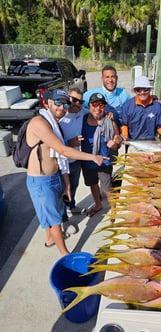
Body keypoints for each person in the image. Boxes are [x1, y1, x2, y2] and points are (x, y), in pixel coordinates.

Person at [26, 89, 107, 256]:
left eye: (65, 104)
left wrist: (67, 184)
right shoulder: (39, 123)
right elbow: (63, 150)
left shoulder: (55, 123)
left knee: (50, 214)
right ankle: (65, 254)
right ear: (48, 102)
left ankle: (50, 239)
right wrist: (93, 157)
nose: (62, 107)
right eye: (58, 103)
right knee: (54, 219)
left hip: (55, 175)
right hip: (41, 181)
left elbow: (58, 157)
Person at [81, 92, 121, 217]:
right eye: (94, 104)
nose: (98, 108)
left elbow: (117, 141)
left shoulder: (110, 121)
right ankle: (98, 205)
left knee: (107, 187)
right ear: (89, 106)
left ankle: (113, 209)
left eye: (101, 105)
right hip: (88, 161)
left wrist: (114, 144)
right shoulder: (82, 120)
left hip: (104, 162)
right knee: (93, 184)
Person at [119, 75, 161, 145]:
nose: (142, 92)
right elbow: (123, 124)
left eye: (145, 89)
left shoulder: (157, 107)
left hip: (151, 143)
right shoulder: (127, 106)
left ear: (150, 90)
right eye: (139, 90)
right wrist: (125, 136)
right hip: (133, 142)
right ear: (135, 91)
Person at [59, 87, 88, 221]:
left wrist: (109, 114)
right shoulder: (59, 116)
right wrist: (68, 142)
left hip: (75, 159)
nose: (77, 104)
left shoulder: (82, 111)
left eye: (80, 101)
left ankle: (71, 206)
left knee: (74, 185)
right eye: (74, 100)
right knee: (63, 191)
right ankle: (63, 219)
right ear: (67, 99)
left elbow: (95, 112)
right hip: (60, 162)